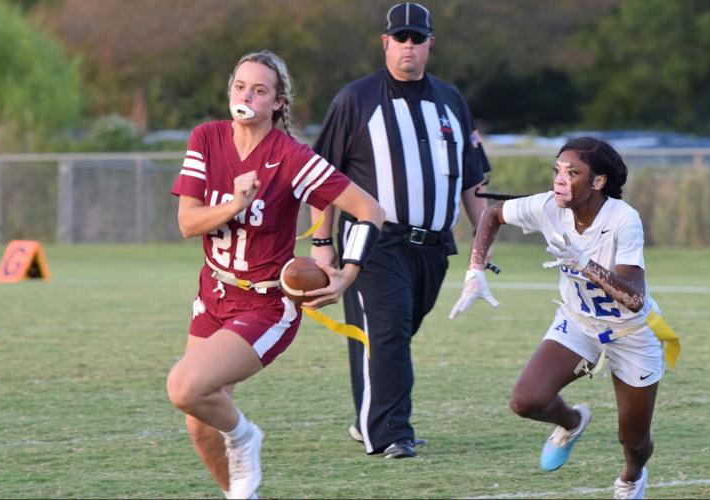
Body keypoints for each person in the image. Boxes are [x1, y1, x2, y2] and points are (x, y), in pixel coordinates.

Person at [166, 50, 385, 499]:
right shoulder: (206, 137)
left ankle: (246, 436)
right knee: (198, 422)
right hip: (213, 293)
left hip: (265, 304)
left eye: (259, 90)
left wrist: (347, 273)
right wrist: (235, 204)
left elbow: (370, 211)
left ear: (278, 102)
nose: (246, 96)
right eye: (240, 87)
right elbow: (187, 223)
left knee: (184, 387)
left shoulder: (292, 156)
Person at [450, 137, 680, 499]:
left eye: (572, 172)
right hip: (579, 323)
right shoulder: (548, 206)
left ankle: (632, 477)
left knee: (633, 439)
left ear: (598, 181)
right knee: (526, 400)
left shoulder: (623, 219)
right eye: (557, 170)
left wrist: (584, 263)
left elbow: (634, 299)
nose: (559, 179)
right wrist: (475, 269)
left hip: (632, 333)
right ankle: (572, 422)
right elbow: (492, 214)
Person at [310, 2, 492, 459]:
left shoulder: (451, 100)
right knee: (387, 332)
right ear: (385, 43)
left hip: (433, 247)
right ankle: (391, 433)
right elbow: (322, 178)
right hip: (374, 242)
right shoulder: (356, 99)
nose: (408, 45)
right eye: (400, 38)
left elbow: (473, 180)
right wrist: (321, 244)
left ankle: (368, 419)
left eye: (417, 38)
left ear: (430, 43)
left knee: (390, 333)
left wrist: (482, 245)